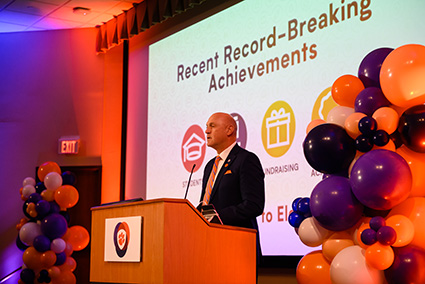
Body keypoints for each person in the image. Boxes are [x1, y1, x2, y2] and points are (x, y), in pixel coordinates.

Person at [199, 112, 265, 264]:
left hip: (237, 247)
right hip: (210, 246)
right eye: (206, 127)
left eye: (212, 126)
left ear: (229, 130)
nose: (206, 131)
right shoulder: (210, 166)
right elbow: (206, 204)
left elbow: (253, 205)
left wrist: (216, 217)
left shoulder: (246, 159)